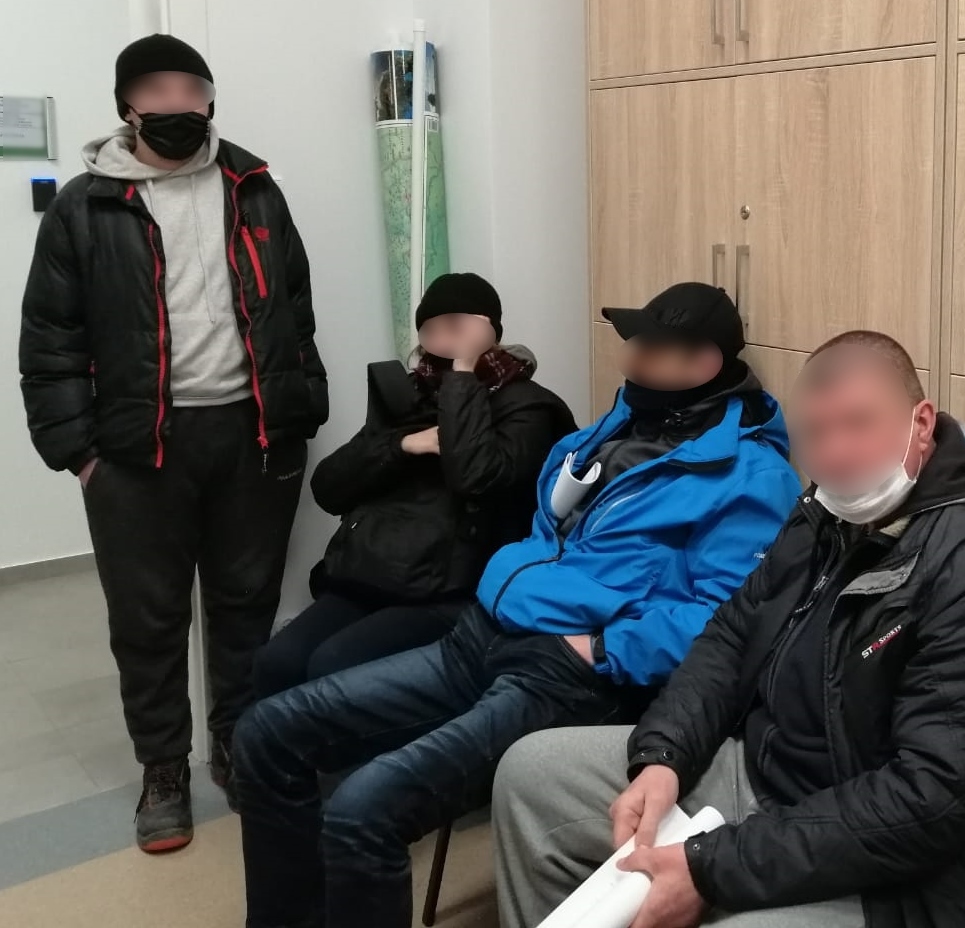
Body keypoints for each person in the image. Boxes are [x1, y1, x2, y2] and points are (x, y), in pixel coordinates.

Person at [232, 282, 802, 928]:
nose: (628, 356)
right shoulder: (616, 429)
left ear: (702, 363)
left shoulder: (751, 476)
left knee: (362, 811)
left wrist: (604, 648)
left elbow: (725, 621)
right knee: (265, 733)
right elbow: (550, 533)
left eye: (648, 346)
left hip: (567, 674)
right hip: (480, 635)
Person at [494, 330, 965, 928]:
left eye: (859, 424)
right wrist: (664, 753)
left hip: (920, 876)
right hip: (771, 782)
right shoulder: (826, 510)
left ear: (921, 423)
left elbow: (929, 800)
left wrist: (712, 867)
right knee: (532, 776)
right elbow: (731, 636)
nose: (837, 453)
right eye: (816, 433)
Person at [18, 34, 328, 853]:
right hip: (135, 449)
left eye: (190, 88)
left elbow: (294, 305)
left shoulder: (254, 188)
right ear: (129, 106)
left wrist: (301, 408)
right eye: (157, 90)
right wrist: (80, 453)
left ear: (209, 99)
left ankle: (236, 743)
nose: (176, 104)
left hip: (253, 434)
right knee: (148, 620)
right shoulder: (84, 207)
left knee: (244, 606)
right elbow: (49, 339)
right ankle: (163, 771)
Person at [253, 272, 576, 697]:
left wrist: (463, 371)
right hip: (374, 572)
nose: (443, 338)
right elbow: (328, 487)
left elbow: (476, 476)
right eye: (432, 328)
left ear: (489, 331)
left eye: (457, 325)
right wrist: (403, 445)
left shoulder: (529, 405)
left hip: (453, 588)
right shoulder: (408, 395)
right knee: (277, 662)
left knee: (331, 666)